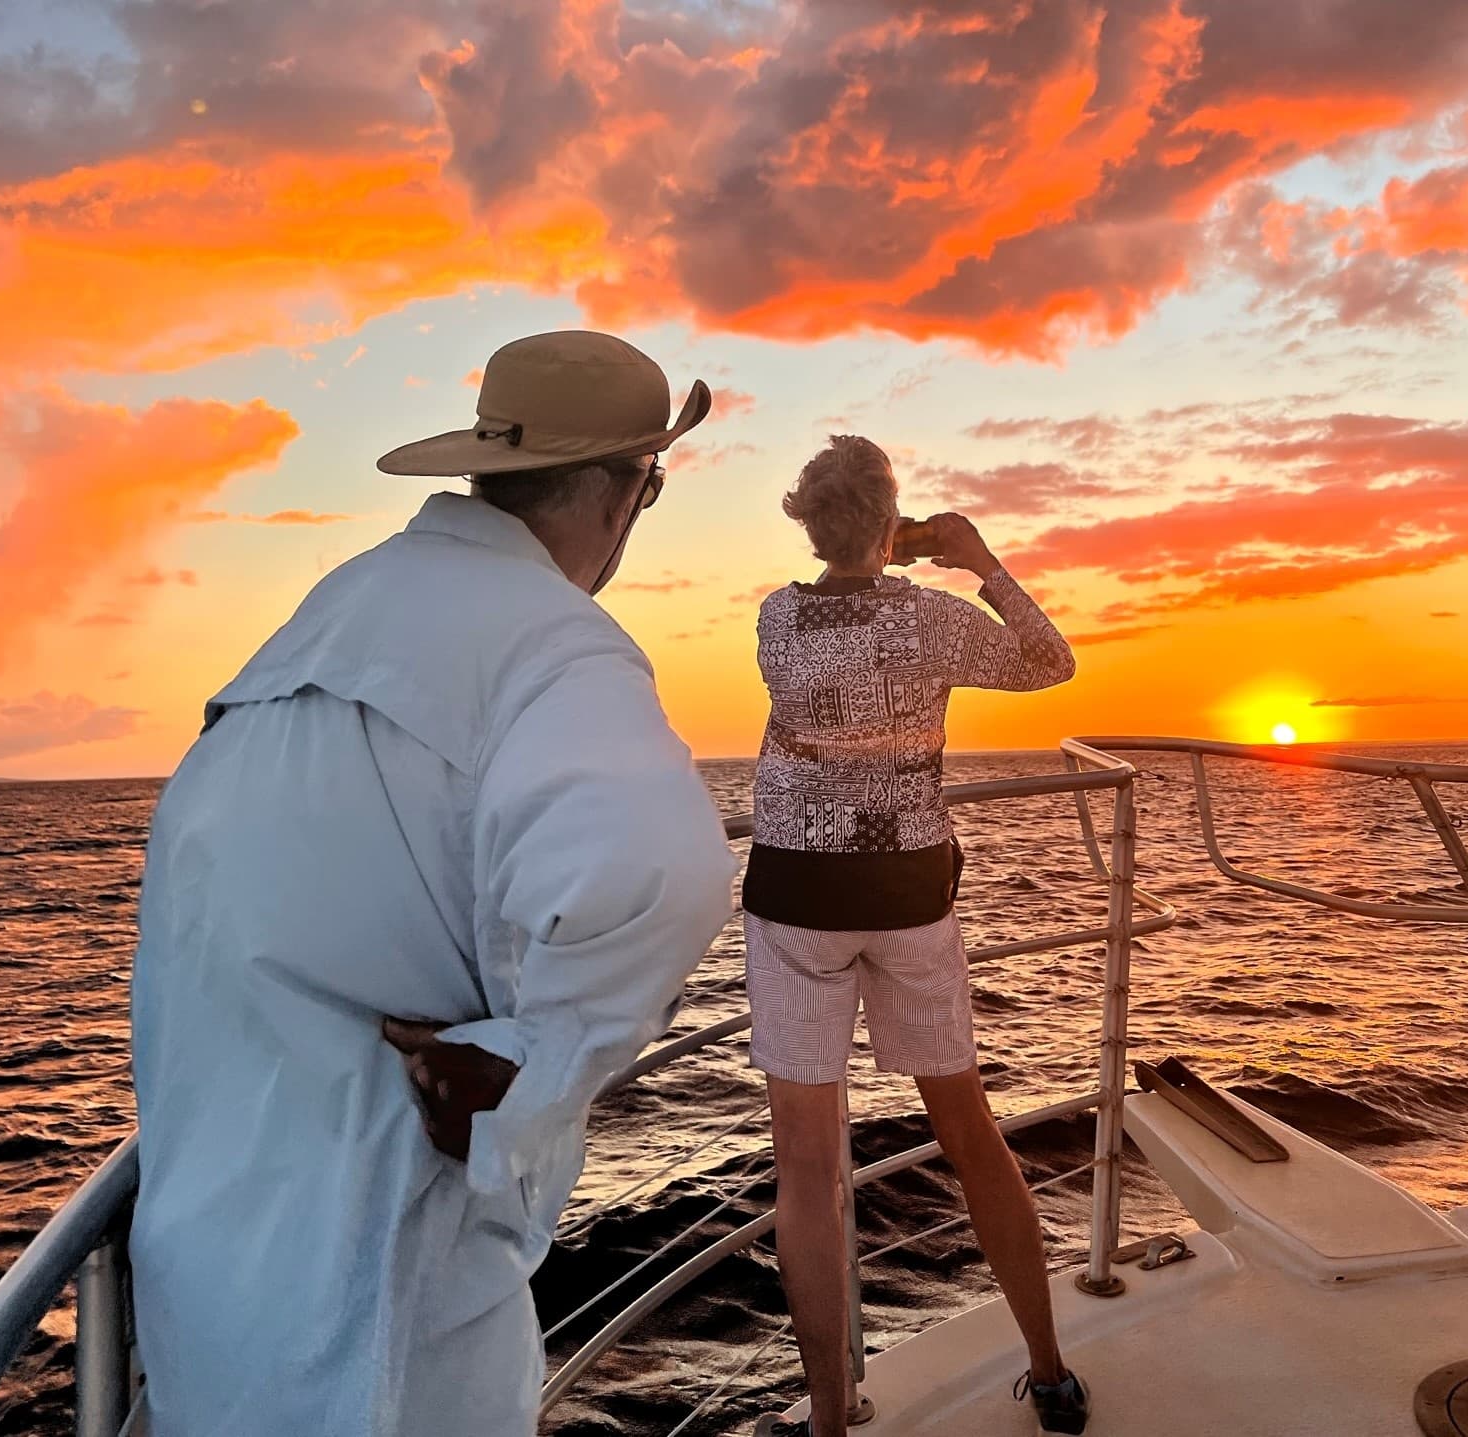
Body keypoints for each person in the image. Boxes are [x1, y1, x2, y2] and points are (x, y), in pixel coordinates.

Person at [128, 330, 738, 1437]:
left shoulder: (325, 615)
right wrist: (534, 1071)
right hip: (387, 1282)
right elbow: (663, 868)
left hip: (206, 1267)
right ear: (622, 492)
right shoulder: (555, 648)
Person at [744, 436, 1086, 1437]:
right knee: (970, 1134)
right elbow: (1048, 662)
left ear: (807, 520)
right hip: (905, 897)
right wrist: (976, 561)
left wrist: (874, 546)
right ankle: (1049, 1373)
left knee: (806, 1169)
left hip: (798, 894)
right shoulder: (933, 621)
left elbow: (834, 654)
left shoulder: (774, 620)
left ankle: (824, 1422)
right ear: (894, 524)